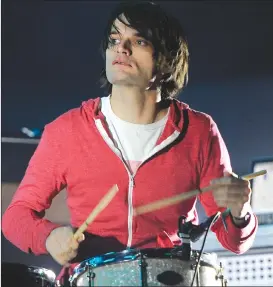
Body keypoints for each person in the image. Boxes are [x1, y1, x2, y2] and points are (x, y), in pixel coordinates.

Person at [2, 1, 257, 284]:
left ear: (166, 60)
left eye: (138, 40)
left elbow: (235, 241)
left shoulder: (199, 131)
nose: (121, 48)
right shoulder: (67, 131)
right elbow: (15, 217)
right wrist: (48, 236)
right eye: (114, 40)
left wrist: (239, 211)